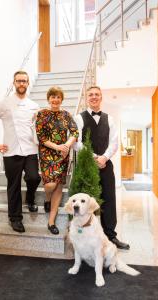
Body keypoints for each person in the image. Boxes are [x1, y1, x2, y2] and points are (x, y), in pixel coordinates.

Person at [0, 71, 41, 233]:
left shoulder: (34, 105)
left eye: (24, 81)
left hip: (30, 149)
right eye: (19, 81)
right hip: (11, 151)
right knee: (13, 185)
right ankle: (15, 218)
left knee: (34, 177)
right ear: (14, 83)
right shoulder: (4, 103)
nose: (21, 84)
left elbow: (39, 128)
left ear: (28, 83)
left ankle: (30, 198)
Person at [74, 86, 130, 250]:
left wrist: (104, 157)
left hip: (105, 164)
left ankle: (111, 237)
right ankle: (85, 239)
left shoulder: (110, 119)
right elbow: (76, 142)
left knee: (109, 200)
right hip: (86, 165)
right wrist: (93, 157)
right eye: (90, 94)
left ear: (101, 97)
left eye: (97, 94)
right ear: (86, 97)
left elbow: (114, 142)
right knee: (85, 203)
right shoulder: (78, 118)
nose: (94, 97)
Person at [36, 86, 79, 235]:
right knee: (50, 185)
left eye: (58, 97)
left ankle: (51, 222)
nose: (55, 99)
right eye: (53, 97)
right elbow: (41, 137)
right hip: (47, 152)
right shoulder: (41, 114)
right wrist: (57, 147)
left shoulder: (66, 115)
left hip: (62, 154)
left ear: (61, 99)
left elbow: (75, 132)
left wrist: (66, 145)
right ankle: (47, 198)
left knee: (59, 186)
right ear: (48, 99)